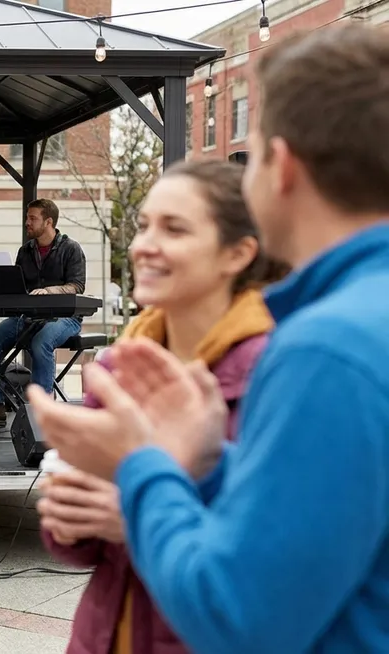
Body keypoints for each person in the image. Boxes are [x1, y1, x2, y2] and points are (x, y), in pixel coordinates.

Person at [26, 25, 389, 654]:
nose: (147, 246)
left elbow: (242, 618)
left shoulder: (323, 350)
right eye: (145, 226)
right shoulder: (346, 328)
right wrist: (207, 470)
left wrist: (141, 472)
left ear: (281, 167)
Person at [37, 160, 285, 654]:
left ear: (238, 253)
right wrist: (69, 517)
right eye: (144, 225)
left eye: (174, 229)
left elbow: (283, 555)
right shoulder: (118, 363)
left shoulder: (279, 372)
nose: (143, 246)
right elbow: (78, 545)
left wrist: (140, 514)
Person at [0, 198, 86, 428]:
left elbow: (77, 286)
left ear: (49, 222)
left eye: (32, 218)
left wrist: (49, 291)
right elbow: (18, 287)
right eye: (27, 217)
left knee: (41, 341)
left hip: (65, 318)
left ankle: (42, 411)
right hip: (28, 317)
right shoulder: (25, 251)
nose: (27, 222)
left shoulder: (71, 248)